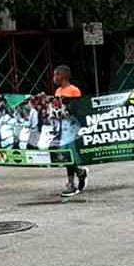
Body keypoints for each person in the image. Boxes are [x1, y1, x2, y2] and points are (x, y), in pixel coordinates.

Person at [52, 65, 88, 197]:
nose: (54, 78)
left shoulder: (74, 90)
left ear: (63, 76)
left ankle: (71, 183)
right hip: (61, 127)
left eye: (56, 75)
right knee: (64, 155)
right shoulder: (57, 92)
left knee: (70, 155)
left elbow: (77, 109)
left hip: (72, 128)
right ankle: (79, 173)